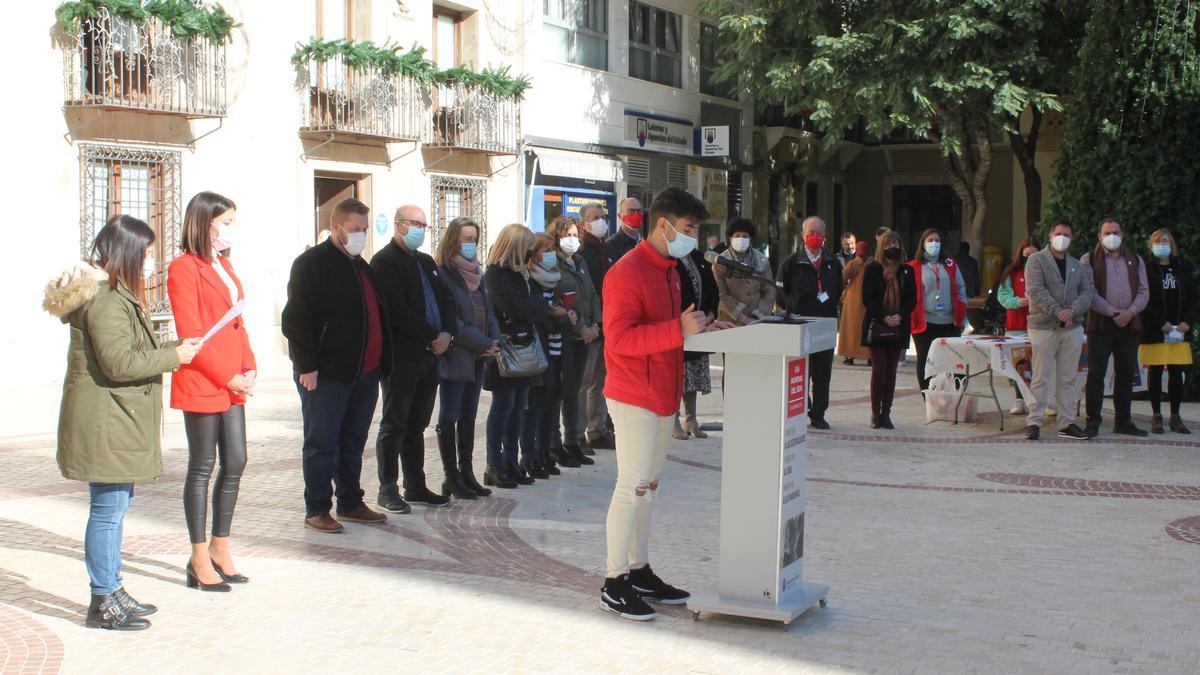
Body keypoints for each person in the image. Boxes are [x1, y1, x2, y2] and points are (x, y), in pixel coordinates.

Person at [45, 215, 202, 629]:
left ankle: (112, 588)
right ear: (129, 253)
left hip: (116, 417)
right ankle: (102, 600)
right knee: (108, 510)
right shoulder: (106, 297)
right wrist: (174, 357)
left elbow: (129, 348)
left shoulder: (114, 294)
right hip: (108, 420)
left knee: (115, 506)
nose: (150, 261)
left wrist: (173, 346)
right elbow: (119, 362)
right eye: (147, 254)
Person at [600, 187, 731, 621]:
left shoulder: (672, 269)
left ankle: (639, 570)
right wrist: (677, 329)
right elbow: (619, 340)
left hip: (664, 392)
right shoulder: (625, 272)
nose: (693, 237)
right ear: (664, 224)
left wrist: (698, 331)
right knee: (631, 486)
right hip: (634, 393)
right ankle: (614, 580)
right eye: (690, 229)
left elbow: (670, 332)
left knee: (648, 489)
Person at [282, 198, 390, 533]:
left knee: (353, 441)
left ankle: (351, 501)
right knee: (322, 442)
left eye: (365, 230)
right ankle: (317, 508)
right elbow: (296, 319)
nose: (361, 236)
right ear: (337, 226)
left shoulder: (362, 267)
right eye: (356, 230)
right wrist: (306, 365)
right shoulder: (312, 263)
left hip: (364, 373)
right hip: (326, 374)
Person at [167, 191, 256, 590]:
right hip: (205, 379)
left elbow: (236, 322)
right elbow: (192, 333)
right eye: (225, 221)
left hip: (232, 380)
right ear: (205, 223)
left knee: (235, 460)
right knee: (202, 466)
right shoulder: (183, 268)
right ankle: (199, 556)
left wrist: (249, 364)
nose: (229, 229)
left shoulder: (225, 265)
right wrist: (227, 375)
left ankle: (222, 545)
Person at [435, 217, 501, 496]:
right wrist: (482, 342)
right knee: (450, 415)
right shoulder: (444, 274)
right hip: (457, 356)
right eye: (465, 239)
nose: (470, 244)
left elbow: (489, 311)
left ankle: (467, 472)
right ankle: (451, 476)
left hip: (478, 357)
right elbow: (452, 321)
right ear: (453, 240)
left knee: (469, 415)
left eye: (474, 238)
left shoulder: (478, 274)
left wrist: (494, 341)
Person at [483, 224, 551, 487]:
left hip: (524, 348)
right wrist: (539, 307)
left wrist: (537, 307)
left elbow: (533, 304)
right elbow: (519, 306)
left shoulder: (522, 274)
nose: (531, 254)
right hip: (506, 349)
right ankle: (494, 463)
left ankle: (511, 460)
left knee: (518, 408)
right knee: (503, 408)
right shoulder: (496, 275)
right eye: (528, 249)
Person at [1023, 220, 1094, 440]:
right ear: (1050, 236)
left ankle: (1067, 422)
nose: (1062, 238)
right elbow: (1035, 290)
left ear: (1072, 238)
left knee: (1068, 378)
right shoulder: (1037, 260)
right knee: (1040, 376)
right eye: (1058, 233)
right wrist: (1058, 311)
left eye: (1066, 234)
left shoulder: (1077, 265)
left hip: (1072, 327)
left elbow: (1086, 293)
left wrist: (1072, 311)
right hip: (1044, 326)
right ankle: (1034, 421)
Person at [1081, 217, 1150, 437]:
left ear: (1123, 234)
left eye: (1116, 232)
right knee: (1096, 374)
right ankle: (1093, 420)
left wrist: (1130, 312)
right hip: (1101, 325)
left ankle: (1123, 421)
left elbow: (1144, 291)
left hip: (1129, 324)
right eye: (1107, 232)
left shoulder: (1135, 260)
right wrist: (1112, 312)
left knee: (1126, 374)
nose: (1112, 236)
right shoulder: (1089, 259)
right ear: (1100, 236)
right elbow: (1088, 292)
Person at [546, 216, 603, 462]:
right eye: (566, 235)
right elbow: (559, 301)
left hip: (585, 335)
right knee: (563, 390)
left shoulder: (580, 262)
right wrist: (580, 327)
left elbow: (591, 294)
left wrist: (595, 324)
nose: (572, 240)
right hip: (567, 335)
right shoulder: (554, 264)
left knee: (575, 389)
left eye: (574, 235)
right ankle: (556, 443)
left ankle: (573, 442)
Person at [522, 234, 579, 477]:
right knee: (534, 407)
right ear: (533, 254)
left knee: (551, 405)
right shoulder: (530, 282)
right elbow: (543, 319)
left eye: (551, 249)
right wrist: (561, 318)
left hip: (558, 352)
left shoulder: (554, 280)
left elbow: (557, 315)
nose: (549, 254)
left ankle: (546, 453)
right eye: (544, 250)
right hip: (540, 353)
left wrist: (564, 317)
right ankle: (531, 455)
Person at [778, 216, 842, 429]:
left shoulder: (833, 262)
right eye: (811, 232)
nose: (815, 236)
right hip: (799, 326)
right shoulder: (790, 262)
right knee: (799, 372)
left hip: (824, 326)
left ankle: (819, 413)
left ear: (825, 236)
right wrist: (790, 308)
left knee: (823, 373)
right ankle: (801, 406)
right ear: (803, 235)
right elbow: (780, 291)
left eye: (819, 232)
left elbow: (838, 291)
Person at [1139, 228, 1196, 434]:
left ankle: (1175, 416)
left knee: (1176, 371)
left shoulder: (1182, 268)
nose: (1162, 244)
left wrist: (1186, 323)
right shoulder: (1145, 269)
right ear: (1151, 245)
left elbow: (1194, 298)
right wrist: (1160, 322)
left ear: (1172, 245)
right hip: (1155, 330)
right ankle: (1156, 415)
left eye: (1166, 241)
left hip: (1179, 331)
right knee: (1155, 371)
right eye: (1158, 241)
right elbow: (1143, 299)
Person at [860, 229, 916, 429]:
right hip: (877, 325)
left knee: (892, 371)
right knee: (879, 369)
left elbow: (912, 298)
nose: (893, 248)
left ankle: (887, 413)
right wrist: (884, 316)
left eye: (896, 244)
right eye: (889, 245)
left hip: (899, 325)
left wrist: (899, 316)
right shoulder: (873, 269)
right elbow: (868, 298)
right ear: (882, 247)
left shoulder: (907, 270)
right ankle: (875, 412)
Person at [909, 228, 968, 392]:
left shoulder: (949, 264)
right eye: (930, 240)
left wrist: (962, 310)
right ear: (923, 244)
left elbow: (960, 287)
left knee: (954, 359)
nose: (934, 243)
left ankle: (957, 394)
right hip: (925, 323)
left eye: (937, 240)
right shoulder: (913, 266)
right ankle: (928, 396)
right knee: (925, 360)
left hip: (949, 322)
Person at [577, 203, 616, 452]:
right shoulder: (581, 251)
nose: (601, 221)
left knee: (601, 381)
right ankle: (577, 433)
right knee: (585, 379)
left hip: (607, 323)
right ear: (583, 223)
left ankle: (597, 429)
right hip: (591, 324)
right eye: (594, 218)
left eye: (602, 217)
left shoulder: (605, 249)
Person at [673, 245, 719, 440]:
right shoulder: (670, 257)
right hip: (678, 326)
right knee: (677, 375)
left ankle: (691, 420)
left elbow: (711, 288)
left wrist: (710, 313)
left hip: (700, 325)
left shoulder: (699, 257)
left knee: (692, 374)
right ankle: (673, 419)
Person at [996, 238, 1036, 415]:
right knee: (1020, 367)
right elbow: (1003, 297)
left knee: (1041, 366)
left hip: (1040, 326)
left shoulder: (1046, 271)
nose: (1030, 259)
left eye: (1034, 255)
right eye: (1026, 255)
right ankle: (1019, 399)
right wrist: (1020, 302)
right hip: (1017, 326)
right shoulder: (1012, 272)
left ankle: (1041, 400)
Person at [714, 217, 775, 325]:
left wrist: (759, 314)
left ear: (750, 239)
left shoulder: (762, 260)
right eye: (737, 236)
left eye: (745, 236)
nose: (741, 239)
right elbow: (721, 294)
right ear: (730, 238)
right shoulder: (721, 261)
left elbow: (769, 290)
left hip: (758, 320)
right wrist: (743, 318)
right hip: (729, 322)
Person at [838, 240, 872, 366]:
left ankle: (850, 355)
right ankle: (869, 356)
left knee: (850, 329)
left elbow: (843, 277)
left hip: (853, 300)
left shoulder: (853, 263)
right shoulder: (872, 263)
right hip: (869, 300)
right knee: (867, 328)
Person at [606, 197, 642, 266]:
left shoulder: (646, 241)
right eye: (631, 211)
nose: (636, 214)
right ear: (619, 216)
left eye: (639, 211)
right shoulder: (610, 245)